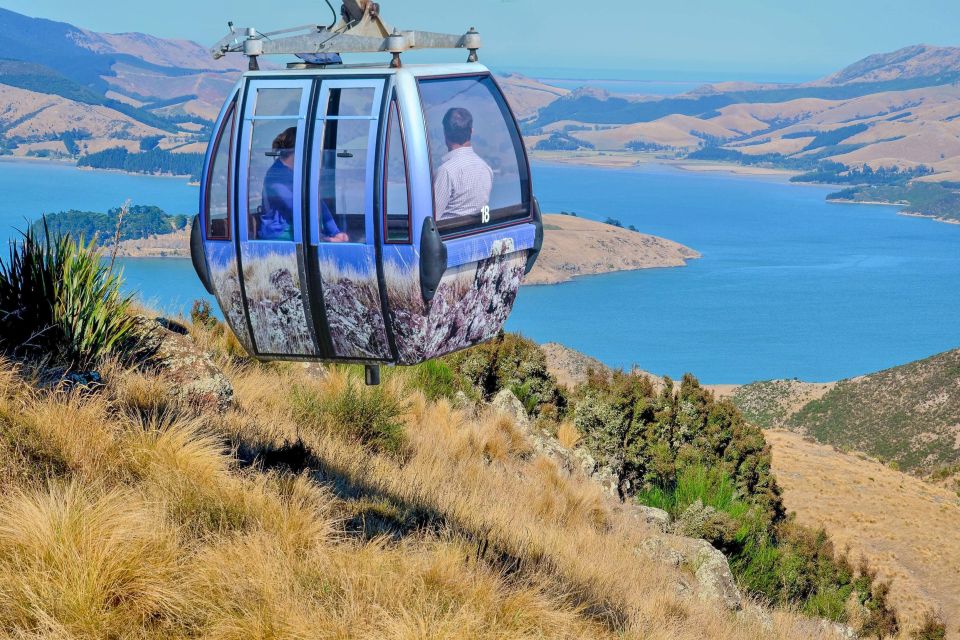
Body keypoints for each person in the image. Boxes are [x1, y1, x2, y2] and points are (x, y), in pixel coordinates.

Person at [261, 127, 349, 242]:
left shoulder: (296, 172)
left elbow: (317, 202)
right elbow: (299, 207)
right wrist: (324, 238)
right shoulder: (276, 175)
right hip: (279, 233)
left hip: (298, 228)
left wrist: (336, 232)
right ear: (297, 150)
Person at [433, 107, 493, 221]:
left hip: (447, 236)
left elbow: (430, 219)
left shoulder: (446, 172)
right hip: (472, 234)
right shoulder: (485, 168)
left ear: (445, 133)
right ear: (471, 131)